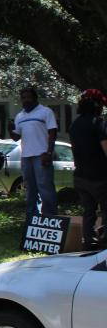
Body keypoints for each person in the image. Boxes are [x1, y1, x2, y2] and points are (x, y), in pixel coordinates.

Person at [8, 86, 59, 217]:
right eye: (23, 98)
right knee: (30, 188)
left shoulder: (45, 112)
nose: (26, 100)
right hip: (26, 156)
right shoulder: (20, 116)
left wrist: (49, 153)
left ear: (35, 98)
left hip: (41, 155)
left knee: (45, 187)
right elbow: (16, 137)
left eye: (28, 97)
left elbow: (52, 133)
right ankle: (32, 217)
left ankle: (50, 216)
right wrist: (10, 129)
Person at [69, 89, 107, 249]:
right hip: (100, 177)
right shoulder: (98, 123)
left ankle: (88, 243)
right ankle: (105, 245)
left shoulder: (74, 125)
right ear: (96, 105)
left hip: (80, 177)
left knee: (89, 212)